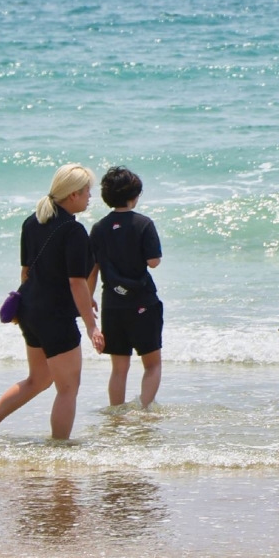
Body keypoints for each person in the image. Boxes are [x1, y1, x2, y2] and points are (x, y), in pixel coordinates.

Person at [0, 164, 104, 440]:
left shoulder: (33, 221)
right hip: (54, 316)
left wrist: (83, 298)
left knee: (39, 379)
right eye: (87, 191)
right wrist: (92, 326)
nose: (90, 197)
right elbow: (75, 282)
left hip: (30, 310)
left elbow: (27, 272)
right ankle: (59, 450)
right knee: (68, 388)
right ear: (73, 195)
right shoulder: (73, 230)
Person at [89, 167, 163, 409]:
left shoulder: (98, 228)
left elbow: (93, 269)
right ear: (135, 195)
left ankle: (117, 414)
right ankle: (144, 410)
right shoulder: (144, 223)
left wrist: (89, 298)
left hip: (112, 304)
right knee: (151, 364)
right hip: (142, 302)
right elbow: (153, 262)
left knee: (119, 368)